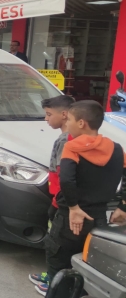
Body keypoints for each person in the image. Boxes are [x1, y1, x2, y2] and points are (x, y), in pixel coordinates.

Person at [33, 101, 125, 296]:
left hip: (69, 220)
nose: (70, 124)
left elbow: (66, 178)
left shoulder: (72, 146)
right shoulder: (116, 149)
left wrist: (74, 208)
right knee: (86, 267)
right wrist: (123, 206)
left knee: (59, 267)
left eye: (72, 120)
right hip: (98, 220)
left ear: (82, 123)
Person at [29, 95, 74, 289]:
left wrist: (57, 201)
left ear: (64, 115)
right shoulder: (69, 137)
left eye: (49, 114)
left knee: (55, 242)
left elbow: (64, 175)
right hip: (60, 198)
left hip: (60, 200)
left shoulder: (66, 140)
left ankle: (55, 282)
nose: (46, 119)